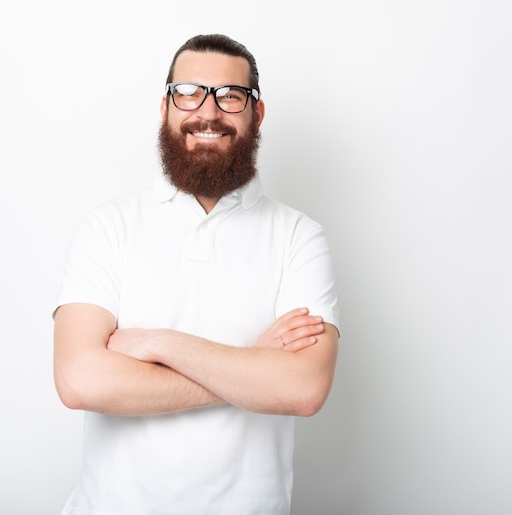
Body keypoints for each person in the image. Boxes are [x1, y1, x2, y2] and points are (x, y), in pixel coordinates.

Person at [53, 34, 340, 515]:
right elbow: (81, 381)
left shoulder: (299, 237)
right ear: (165, 107)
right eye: (189, 92)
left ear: (257, 114)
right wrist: (251, 367)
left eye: (230, 96)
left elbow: (303, 389)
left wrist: (159, 344)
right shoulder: (108, 228)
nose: (208, 112)